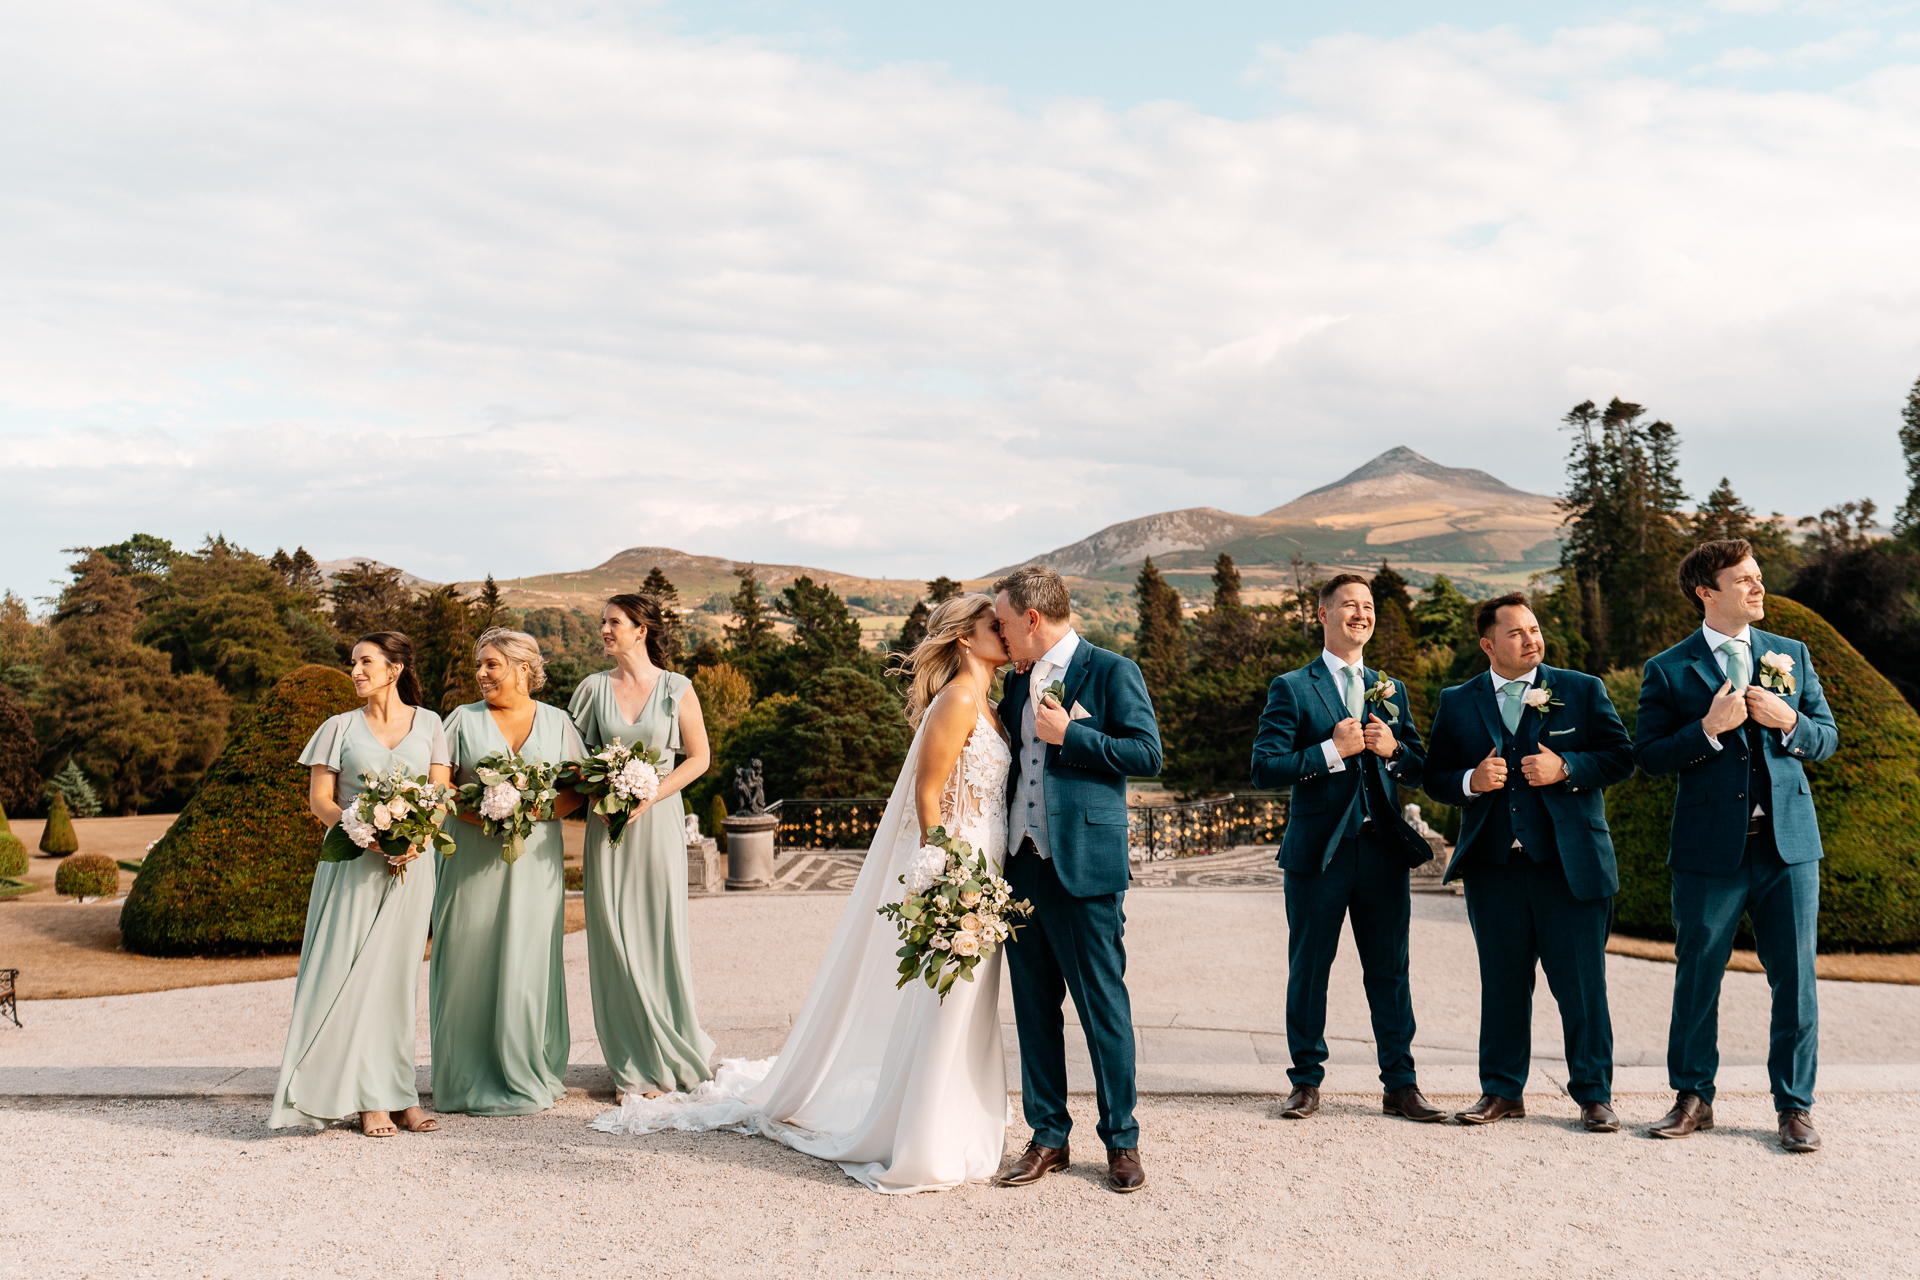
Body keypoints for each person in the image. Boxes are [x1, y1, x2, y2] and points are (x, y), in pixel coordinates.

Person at [590, 593, 1017, 1194]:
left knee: (969, 1004)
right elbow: (929, 795)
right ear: (965, 639)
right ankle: (926, 1139)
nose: (1004, 631)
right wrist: (944, 872)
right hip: (960, 869)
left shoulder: (992, 702)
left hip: (988, 864)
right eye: (991, 624)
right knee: (948, 1001)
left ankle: (961, 1125)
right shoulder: (957, 700)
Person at [1635, 539, 1838, 1152]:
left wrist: (1789, 722)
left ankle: (1794, 1107)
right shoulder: (1668, 669)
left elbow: (1825, 738)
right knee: (1697, 976)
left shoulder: (1791, 654)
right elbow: (1647, 756)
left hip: (1789, 849)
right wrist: (1706, 730)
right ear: (1707, 591)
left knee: (1797, 981)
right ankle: (1694, 1097)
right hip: (1708, 851)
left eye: (1758, 577)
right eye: (1744, 579)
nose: (1758, 588)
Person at [1423, 594, 1633, 1131]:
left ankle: (1593, 1096)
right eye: (1516, 633)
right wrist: (1470, 780)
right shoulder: (1458, 700)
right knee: (1503, 984)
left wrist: (1568, 766)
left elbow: (1621, 756)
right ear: (1488, 644)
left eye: (1534, 629)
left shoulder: (1582, 690)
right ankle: (1501, 1092)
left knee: (1582, 987)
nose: (1531, 639)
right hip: (1494, 868)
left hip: (1571, 866)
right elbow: (1434, 774)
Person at [992, 564, 1163, 1195]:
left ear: (1033, 618)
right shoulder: (1014, 681)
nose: (1000, 634)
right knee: (1034, 1011)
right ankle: (1048, 1138)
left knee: (1102, 1008)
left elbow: (1147, 753)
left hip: (1085, 870)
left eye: (1005, 623)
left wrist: (1075, 733)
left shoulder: (1112, 670)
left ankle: (1122, 1140)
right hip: (1020, 866)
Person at [1250, 573, 1440, 1124]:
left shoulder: (1391, 686)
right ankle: (1305, 1082)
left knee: (1390, 970)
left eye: (1369, 605)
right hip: (1318, 852)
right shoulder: (1292, 686)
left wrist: (1395, 748)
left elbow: (1420, 768)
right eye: (1349, 605)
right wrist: (1330, 752)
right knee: (1310, 967)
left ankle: (1400, 1085)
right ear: (1323, 614)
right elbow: (1265, 767)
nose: (1361, 613)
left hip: (1382, 851)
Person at [270, 632, 451, 1137]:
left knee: (395, 982)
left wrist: (420, 836)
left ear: (394, 670)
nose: (355, 671)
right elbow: (321, 801)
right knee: (348, 977)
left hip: (412, 868)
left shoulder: (431, 724)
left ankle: (399, 1092)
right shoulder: (336, 728)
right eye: (353, 663)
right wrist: (363, 831)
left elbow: (438, 795)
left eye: (365, 662)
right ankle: (366, 1098)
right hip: (351, 867)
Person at [430, 628, 586, 1116]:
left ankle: (529, 1065)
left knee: (529, 959)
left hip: (535, 865)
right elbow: (440, 789)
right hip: (471, 863)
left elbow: (578, 789)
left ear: (523, 668)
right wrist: (488, 813)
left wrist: (530, 813)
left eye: (491, 665)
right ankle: (462, 1075)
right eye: (479, 665)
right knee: (466, 960)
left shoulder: (559, 723)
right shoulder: (460, 720)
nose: (480, 674)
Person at [570, 593, 716, 1103]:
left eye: (615, 622)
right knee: (612, 933)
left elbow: (699, 758)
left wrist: (651, 792)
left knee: (657, 930)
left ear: (641, 630)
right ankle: (630, 1059)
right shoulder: (592, 689)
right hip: (605, 826)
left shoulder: (677, 689)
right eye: (603, 622)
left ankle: (669, 1048)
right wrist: (601, 788)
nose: (605, 629)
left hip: (657, 823)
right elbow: (573, 762)